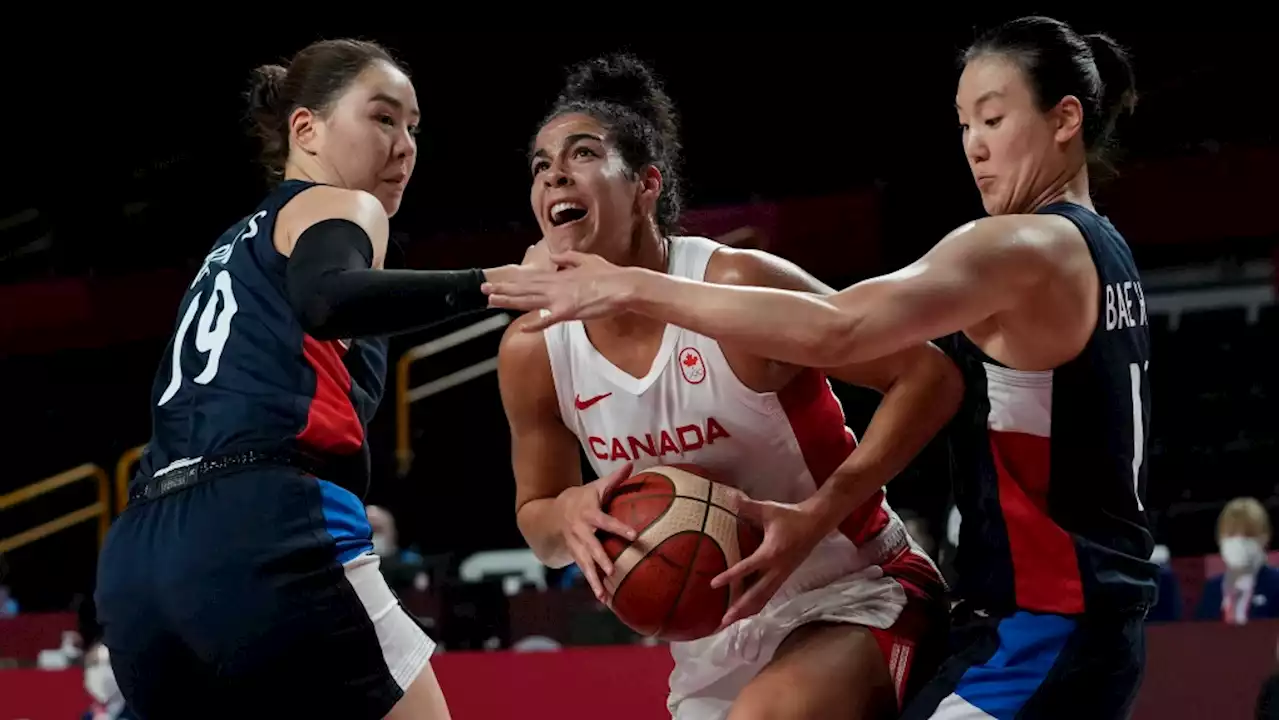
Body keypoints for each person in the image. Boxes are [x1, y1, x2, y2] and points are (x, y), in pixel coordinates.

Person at [486, 17, 1157, 718]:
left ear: (1065, 120)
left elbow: (850, 332)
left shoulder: (1025, 244)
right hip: (1017, 617)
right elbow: (536, 511)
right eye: (964, 125)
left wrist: (627, 286)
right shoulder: (1090, 247)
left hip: (987, 613)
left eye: (993, 118)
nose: (974, 148)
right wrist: (566, 511)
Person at [496, 53, 962, 720]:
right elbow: (535, 515)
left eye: (583, 153)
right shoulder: (533, 350)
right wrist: (568, 512)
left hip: (856, 590)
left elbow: (928, 376)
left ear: (646, 185)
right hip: (713, 644)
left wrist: (816, 517)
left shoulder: (733, 287)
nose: (555, 175)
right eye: (541, 166)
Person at [94, 38, 537, 720]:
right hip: (259, 525)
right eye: (383, 118)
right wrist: (497, 285)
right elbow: (330, 299)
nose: (404, 145)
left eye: (414, 128)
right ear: (306, 129)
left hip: (141, 557)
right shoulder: (338, 205)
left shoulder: (230, 247)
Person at [1196, 497, 1280, 624]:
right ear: (1220, 539)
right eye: (1231, 535)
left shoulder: (1276, 584)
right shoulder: (1212, 589)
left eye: (1248, 535)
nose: (1239, 542)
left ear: (1265, 538)